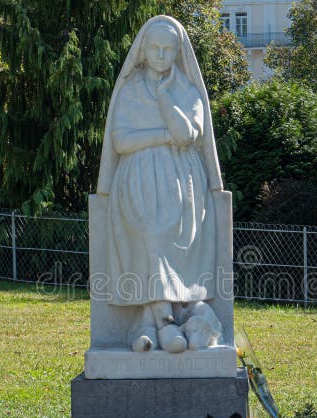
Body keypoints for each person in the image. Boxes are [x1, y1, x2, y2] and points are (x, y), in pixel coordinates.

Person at [96, 15, 223, 353]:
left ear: (178, 52)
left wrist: (167, 99)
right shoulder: (131, 89)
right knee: (150, 234)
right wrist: (164, 137)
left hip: (184, 189)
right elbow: (121, 141)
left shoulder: (187, 90)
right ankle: (166, 323)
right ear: (144, 49)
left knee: (166, 237)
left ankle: (149, 323)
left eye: (169, 49)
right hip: (136, 183)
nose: (162, 55)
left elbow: (187, 135)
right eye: (156, 48)